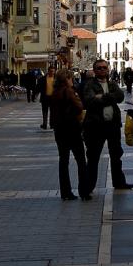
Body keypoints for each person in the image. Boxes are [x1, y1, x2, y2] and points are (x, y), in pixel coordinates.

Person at [81, 58, 133, 198]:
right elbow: (89, 101)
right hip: (95, 127)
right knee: (93, 157)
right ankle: (88, 187)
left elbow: (120, 96)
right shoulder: (89, 85)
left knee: (116, 155)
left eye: (104, 67)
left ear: (108, 69)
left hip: (112, 126)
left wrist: (101, 97)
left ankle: (119, 182)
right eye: (99, 68)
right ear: (95, 70)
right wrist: (109, 98)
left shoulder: (112, 84)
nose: (102, 70)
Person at [49, 69, 87, 200]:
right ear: (67, 79)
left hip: (59, 130)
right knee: (81, 160)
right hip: (72, 128)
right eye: (71, 78)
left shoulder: (55, 92)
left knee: (63, 160)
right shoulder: (69, 91)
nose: (72, 80)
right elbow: (79, 106)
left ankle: (65, 192)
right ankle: (84, 190)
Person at [35, 64, 57, 129]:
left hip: (53, 98)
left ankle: (52, 124)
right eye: (51, 71)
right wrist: (35, 94)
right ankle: (44, 124)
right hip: (45, 97)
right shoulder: (43, 79)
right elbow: (38, 87)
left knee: (52, 112)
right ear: (48, 71)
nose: (52, 73)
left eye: (53, 71)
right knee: (45, 112)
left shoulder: (56, 79)